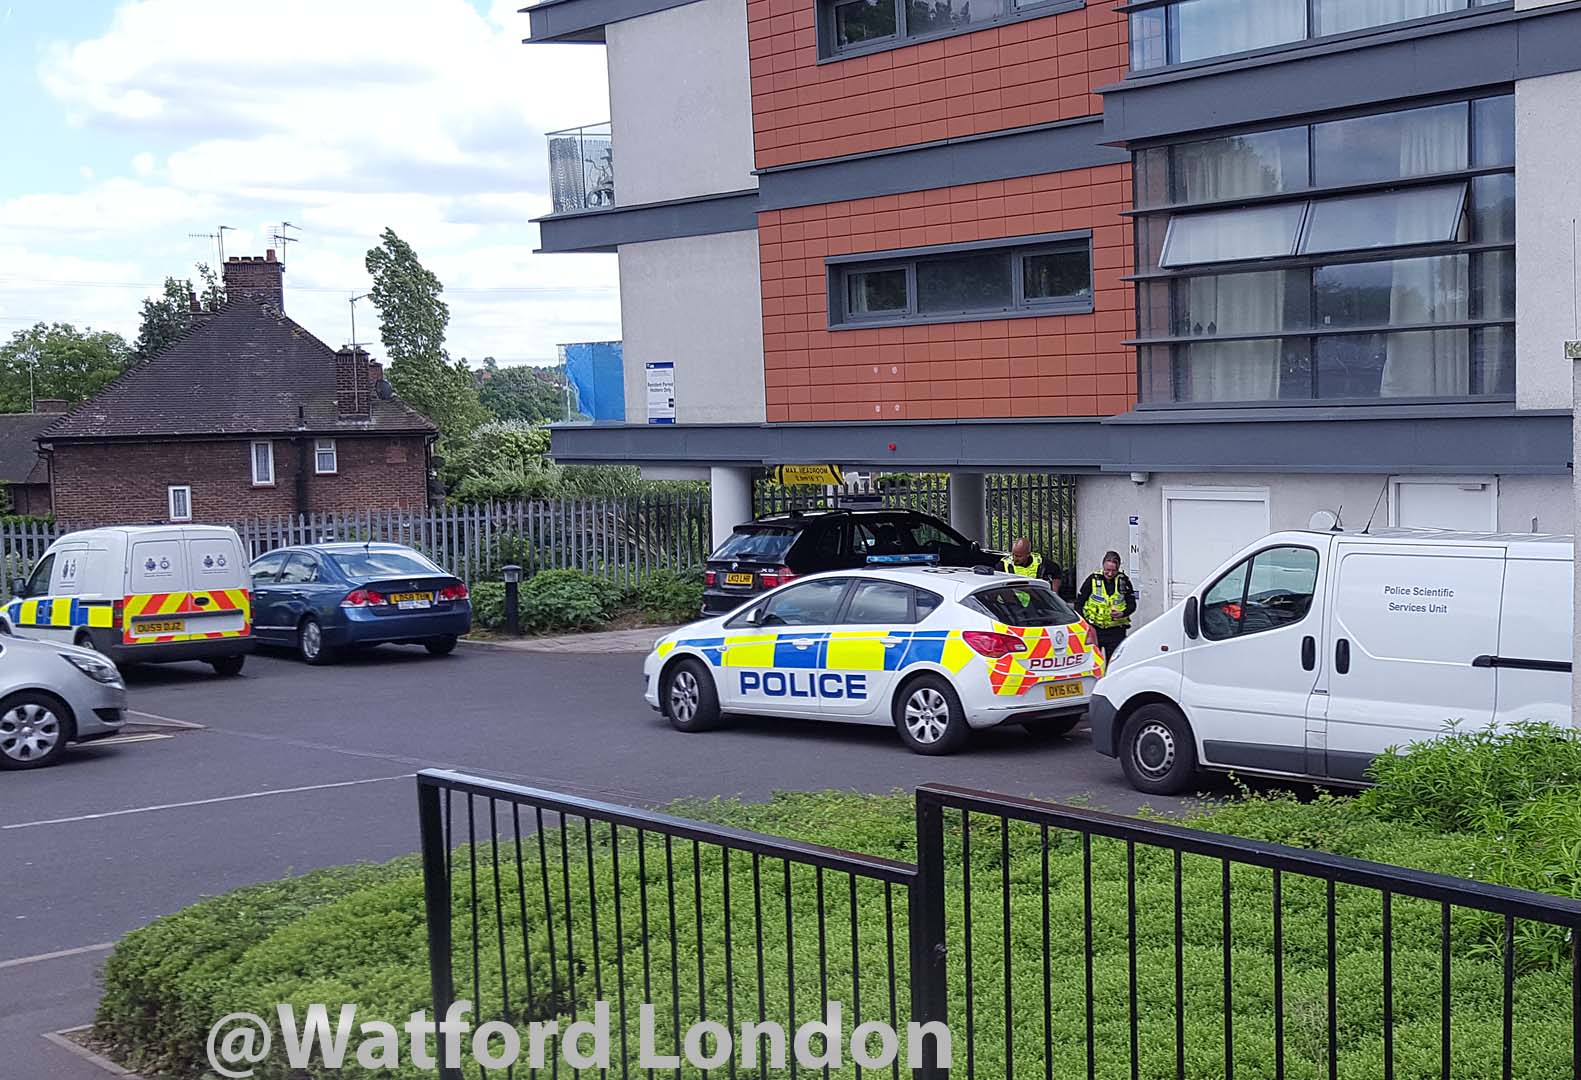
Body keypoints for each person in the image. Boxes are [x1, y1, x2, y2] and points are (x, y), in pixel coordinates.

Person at [1078, 550, 1137, 660]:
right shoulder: (1093, 579)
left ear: (1118, 568)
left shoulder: (1124, 581)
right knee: (1093, 662)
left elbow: (1132, 604)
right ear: (1103, 566)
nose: (1110, 574)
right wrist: (1087, 625)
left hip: (1116, 631)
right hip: (1095, 629)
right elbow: (1079, 604)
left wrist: (1123, 613)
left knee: (1115, 663)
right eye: (1107, 570)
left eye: (1113, 571)